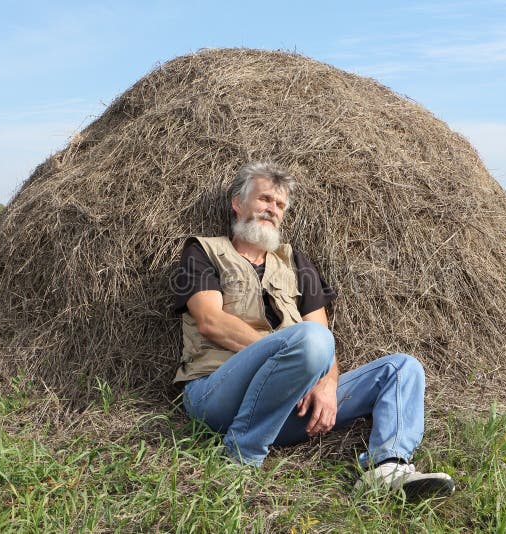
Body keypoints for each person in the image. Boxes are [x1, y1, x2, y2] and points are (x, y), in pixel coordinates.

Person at [172, 161, 454, 498]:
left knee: (403, 368)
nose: (271, 210)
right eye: (264, 199)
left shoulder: (295, 262)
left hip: (288, 410)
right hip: (217, 395)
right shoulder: (203, 251)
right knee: (309, 339)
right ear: (237, 202)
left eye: (279, 205)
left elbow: (324, 340)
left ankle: (387, 466)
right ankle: (242, 454)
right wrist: (290, 351)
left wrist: (325, 382)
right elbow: (210, 321)